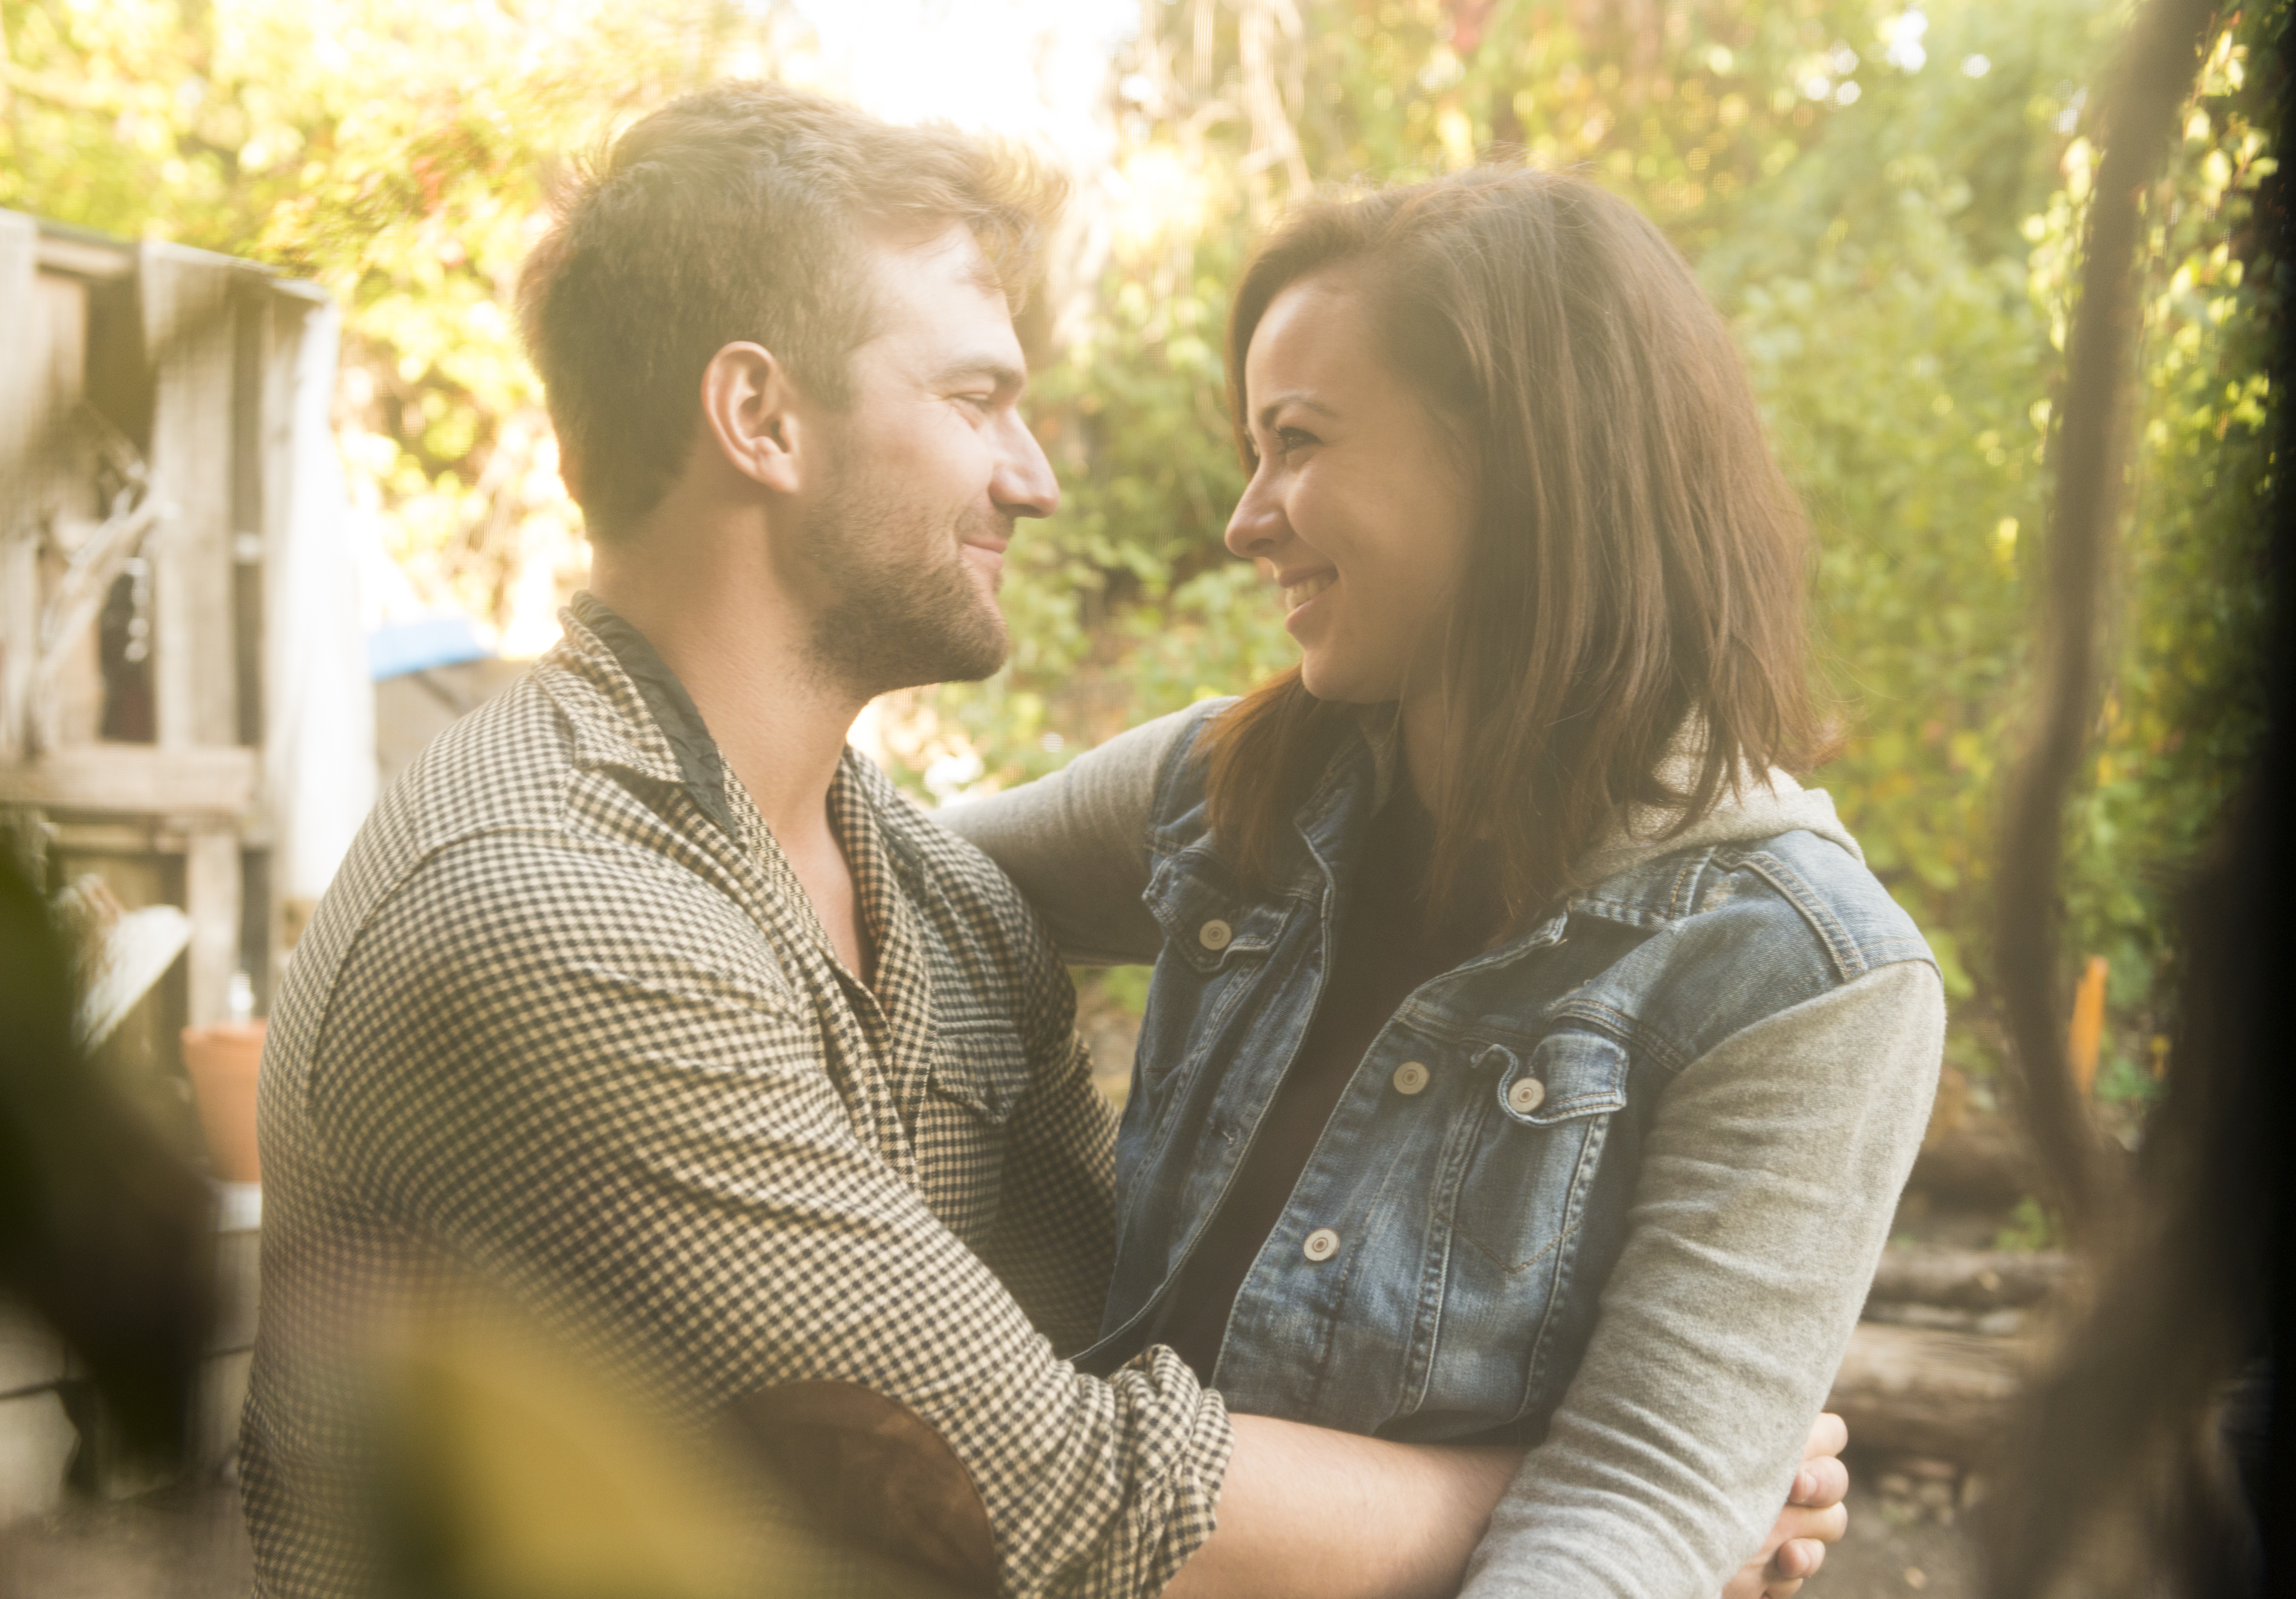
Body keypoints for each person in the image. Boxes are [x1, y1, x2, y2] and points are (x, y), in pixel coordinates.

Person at [240, 85, 1847, 1598]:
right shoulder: (546, 913)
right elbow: (1061, 1487)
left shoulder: (934, 900)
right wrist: (1641, 1484)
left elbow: (1114, 1366)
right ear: (759, 418)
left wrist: (1680, 1455)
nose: (1036, 478)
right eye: (974, 400)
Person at [939, 165, 1946, 1597]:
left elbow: (1639, 1506)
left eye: (1295, 443)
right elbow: (887, 876)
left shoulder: (1800, 974)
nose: (1246, 520)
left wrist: (1694, 1492)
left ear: (1524, 461)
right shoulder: (1231, 792)